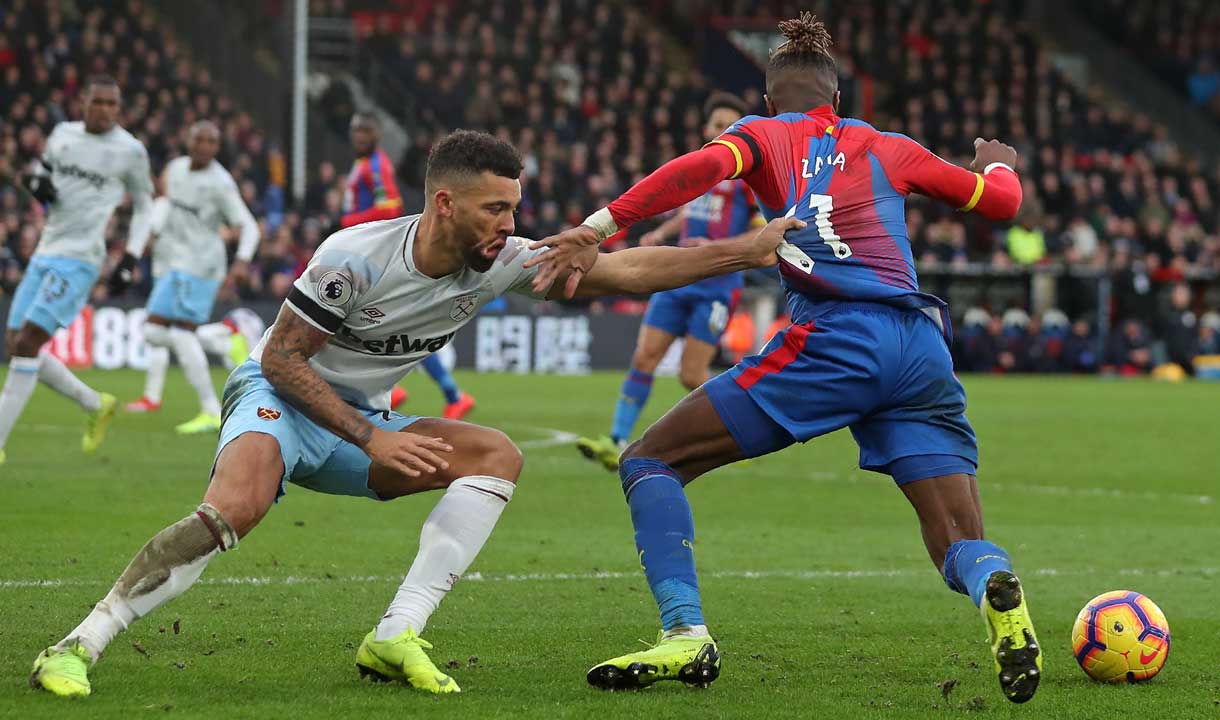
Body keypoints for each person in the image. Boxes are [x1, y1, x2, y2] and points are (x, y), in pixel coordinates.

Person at [29, 130, 800, 698]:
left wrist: (745, 250)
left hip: (361, 419)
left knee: (497, 455)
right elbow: (280, 360)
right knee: (236, 507)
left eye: (514, 209)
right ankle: (78, 644)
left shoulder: (498, 260)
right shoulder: (354, 256)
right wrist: (372, 439)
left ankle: (394, 635)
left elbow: (623, 268)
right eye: (496, 209)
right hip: (282, 400)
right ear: (445, 203)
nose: (509, 225)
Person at [527, 13, 1040, 704]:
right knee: (956, 538)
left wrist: (597, 227)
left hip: (836, 339)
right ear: (838, 101)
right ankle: (994, 587)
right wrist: (997, 162)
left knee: (651, 458)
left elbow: (697, 170)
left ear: (769, 102)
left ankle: (684, 633)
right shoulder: (890, 146)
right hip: (919, 346)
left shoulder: (760, 136)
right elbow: (1003, 202)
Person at [577, 92, 764, 470]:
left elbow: (761, 235)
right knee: (644, 357)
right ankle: (615, 441)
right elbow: (689, 211)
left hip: (717, 284)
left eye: (729, 125)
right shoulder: (701, 168)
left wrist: (714, 246)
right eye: (716, 124)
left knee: (690, 375)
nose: (721, 131)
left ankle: (745, 428)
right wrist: (661, 231)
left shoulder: (749, 179)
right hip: (677, 277)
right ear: (705, 127)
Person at [0, 75, 153, 464]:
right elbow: (42, 170)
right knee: (16, 342)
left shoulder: (130, 151)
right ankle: (94, 403)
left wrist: (131, 258)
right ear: (82, 101)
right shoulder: (63, 134)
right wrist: (36, 181)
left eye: (111, 104)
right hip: (46, 250)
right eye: (97, 102)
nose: (103, 110)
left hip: (82, 257)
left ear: (118, 109)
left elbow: (144, 206)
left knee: (28, 343)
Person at [122, 120, 260, 433]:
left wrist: (242, 262)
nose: (206, 147)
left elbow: (249, 226)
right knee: (155, 333)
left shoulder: (221, 183)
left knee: (166, 332)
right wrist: (152, 234)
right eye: (201, 140)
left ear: (217, 146)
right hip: (177, 262)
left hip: (204, 265)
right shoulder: (177, 169)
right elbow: (165, 205)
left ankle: (211, 409)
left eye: (212, 142)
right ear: (189, 140)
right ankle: (223, 342)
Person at [343, 111, 474, 420]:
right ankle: (440, 393)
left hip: (373, 251)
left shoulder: (377, 166)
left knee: (377, 319)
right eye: (355, 131)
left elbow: (390, 208)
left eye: (365, 131)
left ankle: (403, 388)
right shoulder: (363, 164)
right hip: (364, 248)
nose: (359, 136)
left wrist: (347, 222)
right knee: (387, 322)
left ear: (375, 135)